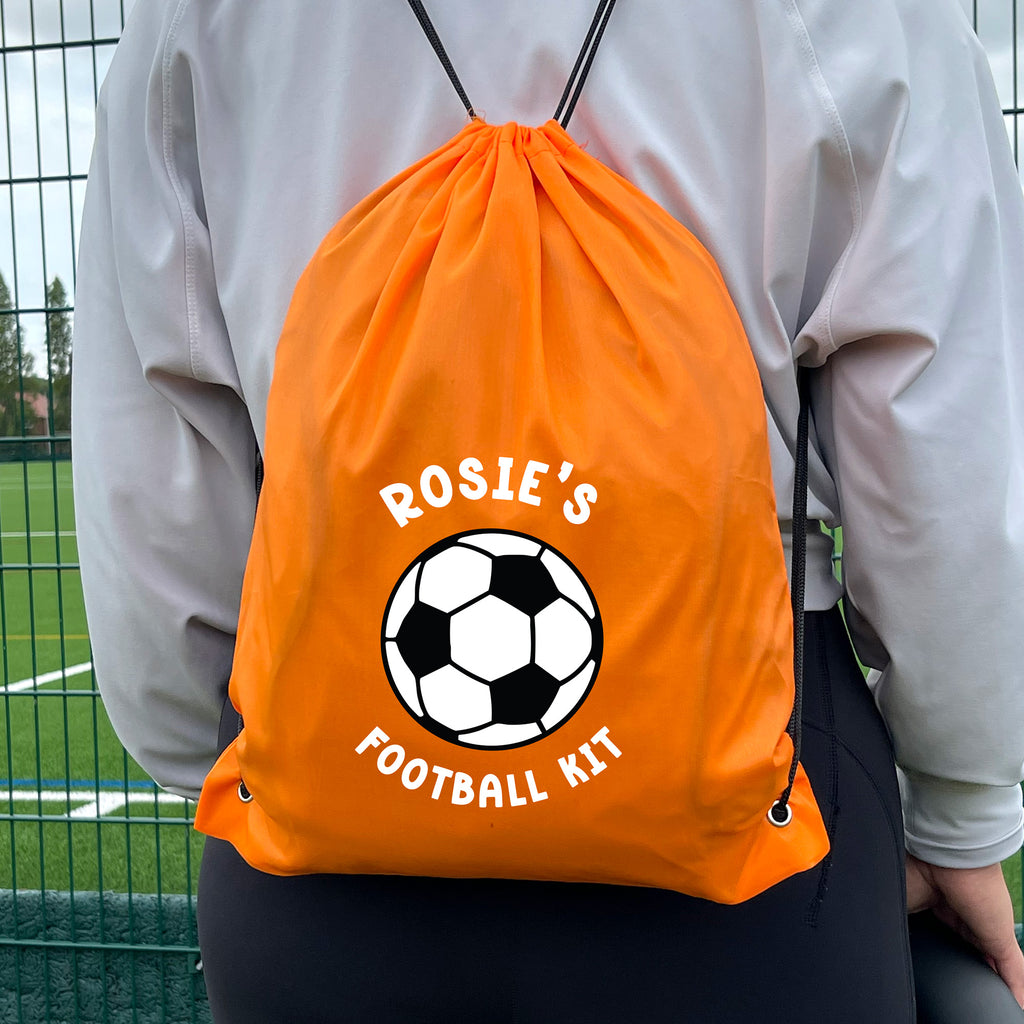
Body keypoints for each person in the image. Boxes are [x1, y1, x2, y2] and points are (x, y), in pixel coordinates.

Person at [71, 1, 1024, 1020]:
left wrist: (215, 750)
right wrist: (959, 811)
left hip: (319, 850)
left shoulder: (193, 21)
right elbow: (947, 468)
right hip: (759, 834)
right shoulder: (870, 17)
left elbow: (154, 487)